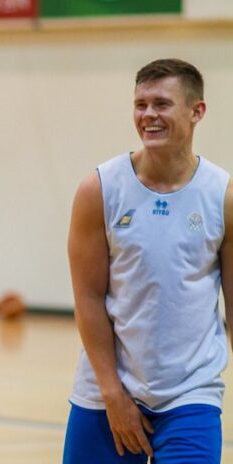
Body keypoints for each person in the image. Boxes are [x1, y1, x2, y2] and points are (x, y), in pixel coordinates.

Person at [63, 58, 233, 463]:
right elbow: (88, 299)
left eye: (162, 104)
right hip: (105, 392)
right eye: (141, 104)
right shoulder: (99, 189)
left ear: (197, 111)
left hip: (190, 394)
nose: (148, 115)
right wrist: (113, 394)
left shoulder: (222, 196)